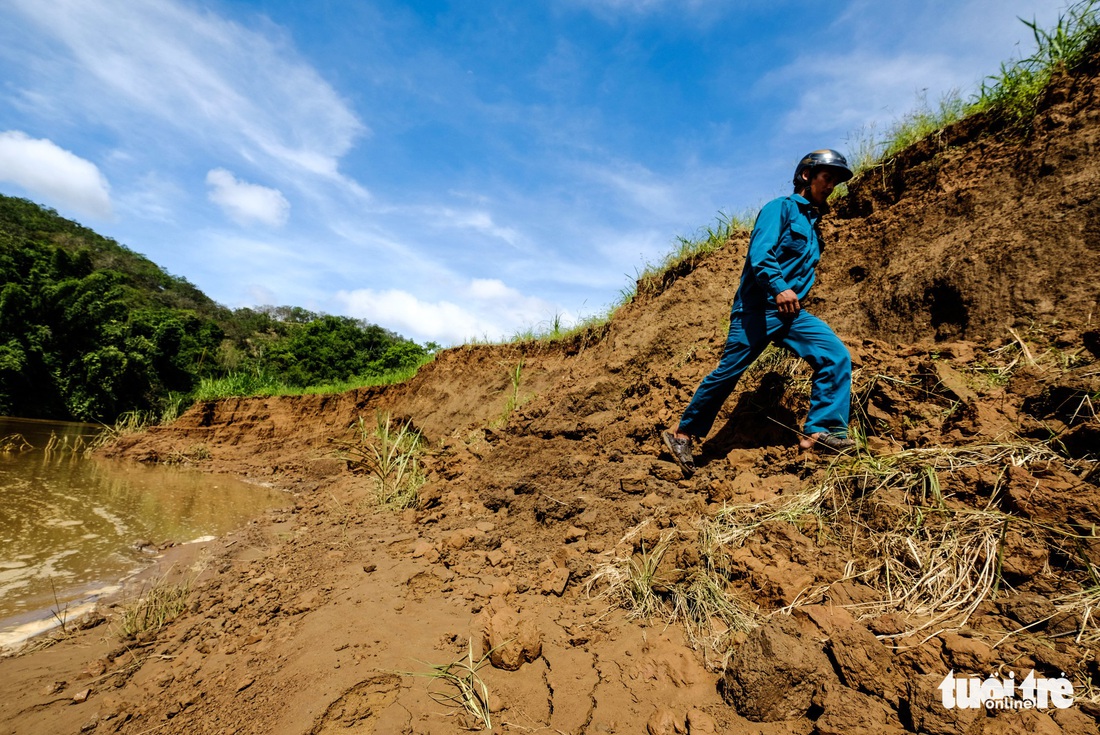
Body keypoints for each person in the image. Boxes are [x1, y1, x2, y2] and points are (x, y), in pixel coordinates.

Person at [661, 149, 856, 476]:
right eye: (827, 177)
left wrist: (789, 295)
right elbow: (760, 254)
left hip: (791, 314)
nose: (832, 185)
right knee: (728, 373)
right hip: (757, 310)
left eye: (836, 181)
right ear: (807, 176)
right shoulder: (779, 209)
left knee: (835, 355)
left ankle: (821, 433)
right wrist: (779, 286)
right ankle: (683, 436)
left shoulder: (813, 228)